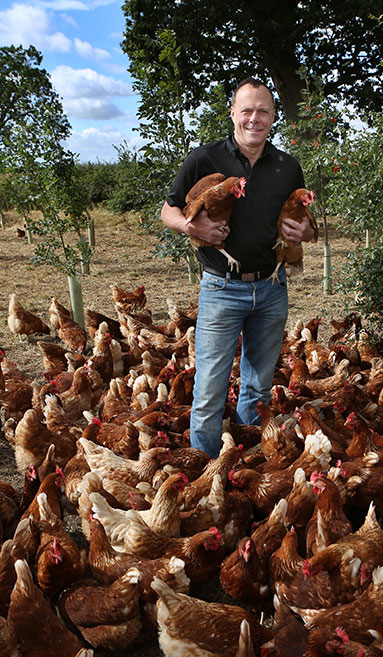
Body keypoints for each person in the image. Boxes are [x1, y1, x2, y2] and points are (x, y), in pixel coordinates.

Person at [161, 78, 316, 457]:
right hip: (221, 288)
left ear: (274, 117)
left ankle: (247, 467)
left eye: (263, 111)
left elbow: (305, 222)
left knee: (258, 387)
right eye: (246, 110)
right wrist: (190, 224)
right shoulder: (205, 159)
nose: (254, 118)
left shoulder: (286, 166)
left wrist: (306, 231)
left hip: (271, 286)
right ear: (232, 113)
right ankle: (206, 472)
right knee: (210, 388)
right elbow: (168, 210)